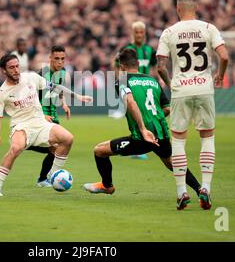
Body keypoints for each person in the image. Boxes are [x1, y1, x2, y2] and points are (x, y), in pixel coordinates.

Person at [83, 48, 201, 207]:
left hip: (142, 137)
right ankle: (200, 190)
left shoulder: (123, 81)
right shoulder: (152, 80)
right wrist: (154, 121)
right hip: (162, 132)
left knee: (99, 151)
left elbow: (131, 102)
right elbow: (167, 108)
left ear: (122, 67)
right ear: (138, 64)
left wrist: (143, 128)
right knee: (171, 163)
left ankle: (107, 186)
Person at [156, 0, 229, 210]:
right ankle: (205, 187)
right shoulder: (208, 28)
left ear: (178, 9)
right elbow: (224, 56)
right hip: (204, 89)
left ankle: (181, 191)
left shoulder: (169, 32)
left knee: (178, 140)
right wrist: (220, 76)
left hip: (181, 90)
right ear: (195, 7)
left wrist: (170, 84)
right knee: (207, 137)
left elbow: (160, 66)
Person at [0, 53, 92, 196]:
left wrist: (78, 96)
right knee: (16, 148)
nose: (16, 70)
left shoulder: (31, 77)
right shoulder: (2, 93)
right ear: (4, 70)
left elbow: (55, 87)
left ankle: (52, 174)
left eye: (17, 66)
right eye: (11, 67)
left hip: (40, 123)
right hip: (21, 126)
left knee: (68, 138)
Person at [28, 45, 71, 187]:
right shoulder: (41, 74)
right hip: (41, 116)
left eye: (63, 59)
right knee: (55, 147)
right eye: (57, 58)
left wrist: (64, 103)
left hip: (53, 115)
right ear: (50, 58)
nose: (60, 62)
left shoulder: (63, 72)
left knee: (56, 147)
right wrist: (42, 115)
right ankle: (43, 178)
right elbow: (30, 97)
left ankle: (44, 178)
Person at [121, 21, 157, 160]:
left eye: (141, 32)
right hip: (132, 85)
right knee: (135, 114)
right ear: (133, 33)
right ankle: (140, 146)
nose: (139, 35)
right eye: (137, 32)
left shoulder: (149, 50)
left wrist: (157, 81)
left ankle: (142, 144)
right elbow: (117, 64)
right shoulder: (127, 49)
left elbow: (153, 68)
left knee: (144, 114)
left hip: (146, 86)